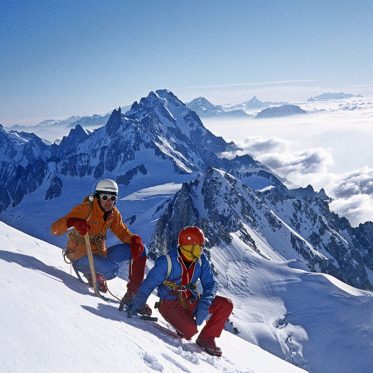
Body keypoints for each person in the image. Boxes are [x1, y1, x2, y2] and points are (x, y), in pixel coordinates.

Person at [127, 226, 233, 356]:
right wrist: (137, 305)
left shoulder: (201, 260)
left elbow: (210, 284)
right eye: (200, 246)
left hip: (190, 300)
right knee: (190, 331)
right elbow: (148, 284)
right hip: (169, 304)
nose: (202, 249)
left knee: (226, 304)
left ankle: (206, 339)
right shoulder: (166, 262)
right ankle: (182, 324)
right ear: (191, 247)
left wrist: (205, 303)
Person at [51, 178, 151, 315]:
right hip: (80, 256)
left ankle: (133, 295)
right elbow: (55, 229)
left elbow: (122, 232)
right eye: (104, 197)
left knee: (141, 250)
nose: (109, 202)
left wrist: (134, 240)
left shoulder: (113, 213)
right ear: (97, 197)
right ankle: (91, 274)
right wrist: (73, 222)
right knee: (112, 269)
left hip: (100, 254)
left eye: (112, 198)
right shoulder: (86, 209)